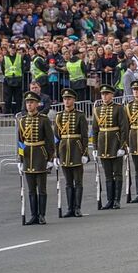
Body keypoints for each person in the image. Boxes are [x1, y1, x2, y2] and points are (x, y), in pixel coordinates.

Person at [18, 91, 55, 225]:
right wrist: (20, 160)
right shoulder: (22, 121)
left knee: (42, 189)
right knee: (31, 189)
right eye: (27, 102)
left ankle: (42, 215)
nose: (29, 105)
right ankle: (33, 215)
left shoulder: (43, 119)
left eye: (31, 102)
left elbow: (50, 141)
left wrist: (50, 159)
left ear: (37, 104)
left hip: (40, 156)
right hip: (28, 157)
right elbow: (20, 142)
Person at [53, 88, 89, 217]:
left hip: (76, 150)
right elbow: (56, 137)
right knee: (68, 182)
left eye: (69, 99)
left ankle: (77, 207)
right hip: (64, 151)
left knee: (78, 181)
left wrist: (85, 153)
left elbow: (84, 136)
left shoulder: (80, 115)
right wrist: (55, 155)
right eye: (64, 99)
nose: (66, 101)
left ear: (74, 100)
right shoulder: (59, 116)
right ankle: (70, 208)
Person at [92, 84, 129, 210]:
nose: (104, 96)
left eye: (107, 94)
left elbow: (124, 128)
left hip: (115, 143)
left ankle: (117, 200)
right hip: (103, 145)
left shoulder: (118, 108)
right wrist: (95, 147)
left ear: (112, 95)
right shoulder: (97, 110)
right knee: (108, 175)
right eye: (103, 94)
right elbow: (95, 130)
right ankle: (109, 200)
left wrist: (122, 146)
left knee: (117, 173)